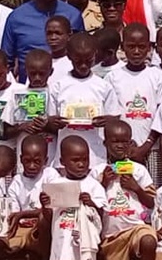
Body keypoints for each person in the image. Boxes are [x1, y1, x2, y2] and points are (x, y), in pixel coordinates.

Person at [91, 120, 160, 260]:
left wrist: (136, 188)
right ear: (105, 143)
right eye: (115, 141)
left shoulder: (139, 170)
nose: (120, 146)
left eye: (124, 141)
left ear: (130, 143)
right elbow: (92, 206)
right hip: (112, 236)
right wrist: (103, 184)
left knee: (148, 240)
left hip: (136, 228)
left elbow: (152, 203)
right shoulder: (98, 171)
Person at [38, 136, 106, 260]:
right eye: (75, 160)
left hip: (84, 242)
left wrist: (91, 203)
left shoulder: (94, 185)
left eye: (85, 160)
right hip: (62, 238)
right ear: (63, 161)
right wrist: (44, 205)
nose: (81, 164)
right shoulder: (56, 185)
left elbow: (101, 215)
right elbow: (49, 217)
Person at [106, 24, 162, 186]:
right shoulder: (113, 77)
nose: (136, 51)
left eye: (141, 47)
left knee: (151, 189)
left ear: (149, 48)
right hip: (121, 151)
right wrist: (124, 146)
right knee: (124, 190)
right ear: (122, 47)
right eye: (131, 46)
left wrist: (146, 145)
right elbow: (111, 116)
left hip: (151, 149)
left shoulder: (157, 77)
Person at [45, 33, 119, 168]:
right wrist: (53, 123)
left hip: (96, 156)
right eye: (78, 61)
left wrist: (107, 121)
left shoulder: (103, 86)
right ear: (69, 56)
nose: (84, 65)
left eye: (88, 60)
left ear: (95, 55)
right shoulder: (58, 86)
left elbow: (115, 119)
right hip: (65, 158)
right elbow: (50, 121)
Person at [2, 0, 85, 82]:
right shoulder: (16, 18)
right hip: (31, 88)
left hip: (69, 85)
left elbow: (83, 53)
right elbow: (6, 61)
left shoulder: (74, 15)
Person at [7, 135, 59, 260]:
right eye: (27, 161)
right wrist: (19, 217)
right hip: (23, 229)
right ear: (21, 159)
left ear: (46, 160)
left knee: (43, 217)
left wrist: (23, 214)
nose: (31, 166)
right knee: (0, 244)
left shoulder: (50, 175)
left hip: (45, 228)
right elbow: (14, 213)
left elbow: (53, 207)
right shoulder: (16, 182)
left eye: (37, 161)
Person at [45, 15, 73, 81]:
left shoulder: (75, 63)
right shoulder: (40, 62)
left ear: (69, 35)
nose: (53, 37)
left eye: (58, 33)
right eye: (49, 33)